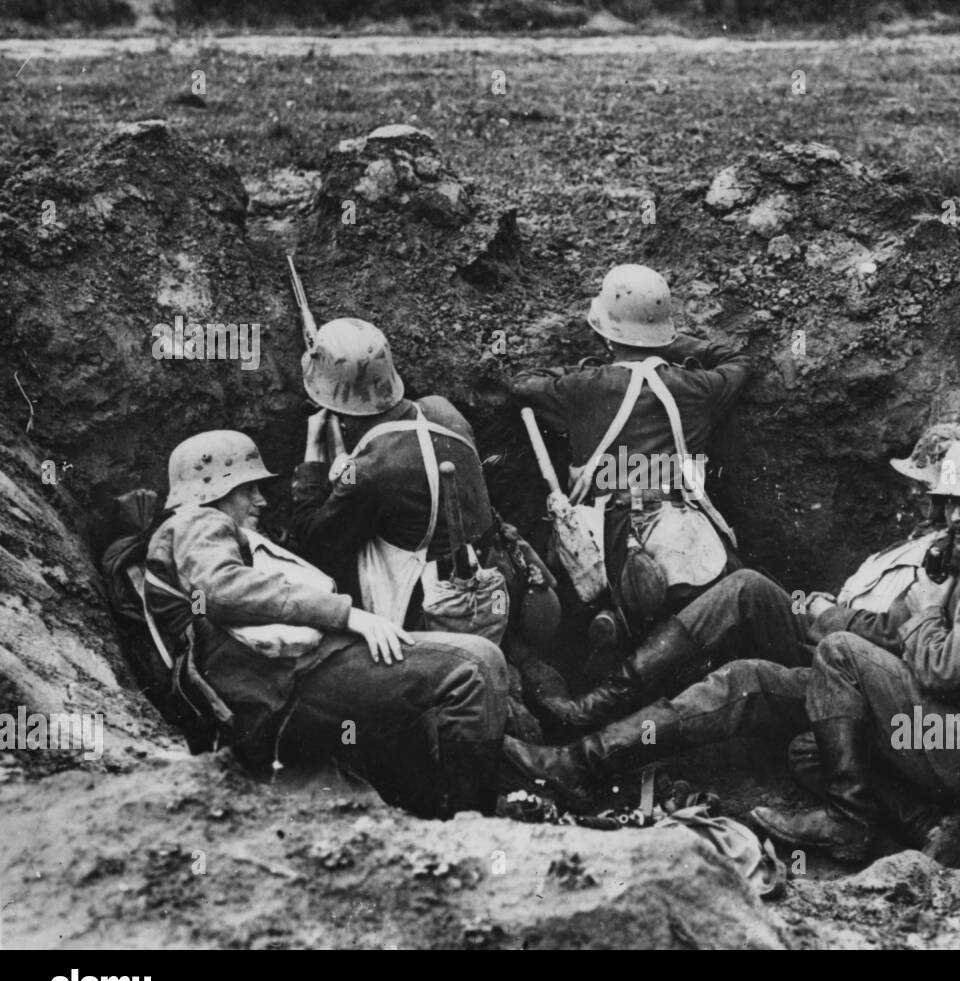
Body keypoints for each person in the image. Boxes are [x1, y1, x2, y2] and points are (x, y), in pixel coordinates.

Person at [503, 436, 960, 866]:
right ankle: (583, 756)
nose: (954, 514)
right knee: (782, 719)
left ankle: (851, 820)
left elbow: (940, 667)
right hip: (932, 723)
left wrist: (902, 608)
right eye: (952, 502)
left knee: (839, 652)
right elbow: (915, 636)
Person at [146, 429, 508, 819]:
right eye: (249, 489)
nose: (262, 500)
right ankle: (473, 826)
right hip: (282, 686)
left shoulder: (199, 532)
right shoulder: (195, 522)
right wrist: (347, 614)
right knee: (477, 667)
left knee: (435, 698)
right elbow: (221, 589)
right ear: (211, 487)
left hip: (284, 683)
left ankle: (438, 814)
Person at [533, 422, 960, 732]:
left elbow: (898, 633)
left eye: (930, 487)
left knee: (744, 589)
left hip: (851, 673)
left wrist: (828, 615)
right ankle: (606, 699)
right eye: (918, 484)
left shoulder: (950, 557)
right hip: (827, 641)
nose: (918, 494)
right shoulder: (918, 541)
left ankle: (600, 709)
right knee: (744, 583)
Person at [290, 316, 562, 735]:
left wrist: (313, 460)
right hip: (491, 582)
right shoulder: (444, 412)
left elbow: (314, 540)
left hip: (430, 607)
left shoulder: (367, 471)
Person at [510, 263, 754, 653]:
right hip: (681, 536)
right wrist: (669, 346)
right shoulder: (696, 388)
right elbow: (739, 361)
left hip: (601, 537)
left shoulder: (583, 388)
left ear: (606, 333)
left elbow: (522, 382)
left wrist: (589, 369)